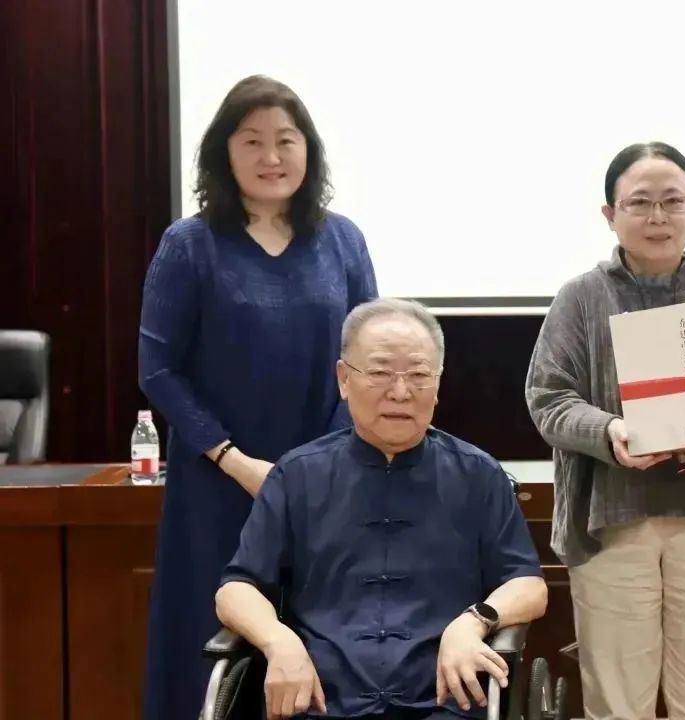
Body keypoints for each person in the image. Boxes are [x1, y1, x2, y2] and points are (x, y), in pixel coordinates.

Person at [138, 75, 378, 719]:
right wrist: (234, 460)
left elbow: (367, 357)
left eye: (286, 140)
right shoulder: (189, 244)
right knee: (210, 644)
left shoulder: (343, 240)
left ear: (309, 150)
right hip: (218, 484)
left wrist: (320, 463)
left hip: (325, 482)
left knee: (320, 638)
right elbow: (158, 369)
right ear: (224, 152)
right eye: (252, 141)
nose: (271, 157)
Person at [525, 142, 685, 720]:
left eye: (673, 201)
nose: (658, 217)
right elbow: (548, 399)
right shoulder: (580, 297)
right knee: (618, 702)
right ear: (609, 214)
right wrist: (611, 430)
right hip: (614, 519)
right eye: (639, 202)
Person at [216, 298, 547, 720]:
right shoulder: (297, 475)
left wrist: (474, 621)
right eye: (379, 373)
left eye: (419, 375)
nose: (400, 392)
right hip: (320, 700)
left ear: (438, 384)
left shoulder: (479, 475)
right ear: (344, 379)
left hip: (446, 702)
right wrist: (278, 642)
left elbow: (527, 584)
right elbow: (236, 589)